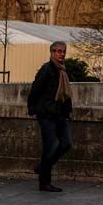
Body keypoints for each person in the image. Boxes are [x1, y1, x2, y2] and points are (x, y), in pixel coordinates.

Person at [27, 40, 73, 192]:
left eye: (63, 51)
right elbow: (35, 90)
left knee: (66, 143)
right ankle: (44, 182)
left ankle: (42, 167)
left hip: (60, 114)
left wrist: (67, 112)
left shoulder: (62, 71)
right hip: (47, 114)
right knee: (51, 146)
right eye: (59, 51)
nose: (62, 54)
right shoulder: (47, 70)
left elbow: (65, 95)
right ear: (52, 53)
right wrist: (33, 109)